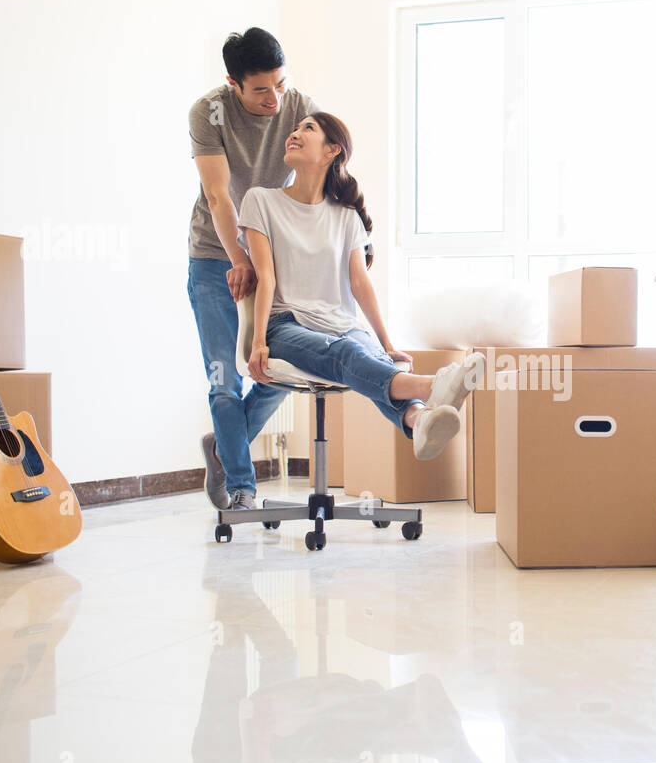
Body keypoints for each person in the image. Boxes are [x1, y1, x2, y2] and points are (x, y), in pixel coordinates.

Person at [237, 112, 485, 458]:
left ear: (331, 150)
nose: (293, 134)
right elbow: (267, 277)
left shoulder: (346, 216)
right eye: (294, 129)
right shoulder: (261, 201)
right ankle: (433, 387)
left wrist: (387, 342)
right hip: (287, 325)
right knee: (349, 353)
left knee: (371, 357)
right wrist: (259, 341)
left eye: (307, 129)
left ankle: (418, 419)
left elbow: (359, 283)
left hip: (342, 325)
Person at [187, 27, 319, 511]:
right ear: (233, 83)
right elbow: (219, 196)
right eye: (261, 88)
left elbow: (324, 177)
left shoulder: (299, 104)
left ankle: (223, 447)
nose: (274, 98)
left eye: (280, 84)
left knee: (282, 368)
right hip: (212, 255)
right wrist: (237, 258)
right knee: (225, 376)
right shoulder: (210, 112)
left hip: (272, 253)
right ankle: (241, 487)